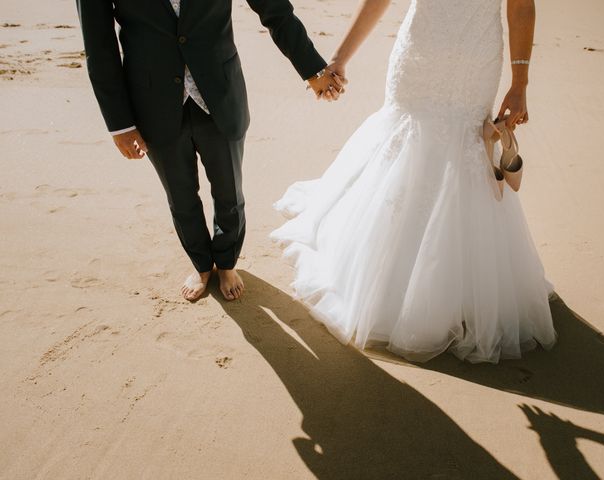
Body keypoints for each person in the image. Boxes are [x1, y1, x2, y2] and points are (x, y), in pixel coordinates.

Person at [271, 0, 558, 363]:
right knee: (405, 142)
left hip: (475, 62)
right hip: (418, 56)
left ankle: (454, 293)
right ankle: (384, 284)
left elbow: (520, 7)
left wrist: (520, 83)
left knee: (463, 151)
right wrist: (341, 58)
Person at [76, 0, 344, 302]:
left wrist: (312, 68)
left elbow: (274, 9)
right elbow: (99, 45)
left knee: (229, 191)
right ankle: (201, 265)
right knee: (180, 195)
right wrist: (120, 124)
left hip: (220, 91)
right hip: (152, 101)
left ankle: (227, 262)